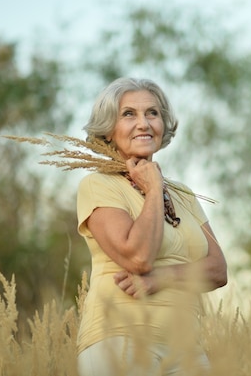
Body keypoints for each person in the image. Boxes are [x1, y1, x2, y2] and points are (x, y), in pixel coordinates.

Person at [75, 77, 228, 376]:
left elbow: (218, 270)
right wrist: (154, 189)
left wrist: (163, 277)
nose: (143, 123)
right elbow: (138, 257)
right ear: (108, 128)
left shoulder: (182, 194)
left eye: (152, 113)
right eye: (128, 114)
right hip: (119, 339)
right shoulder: (98, 185)